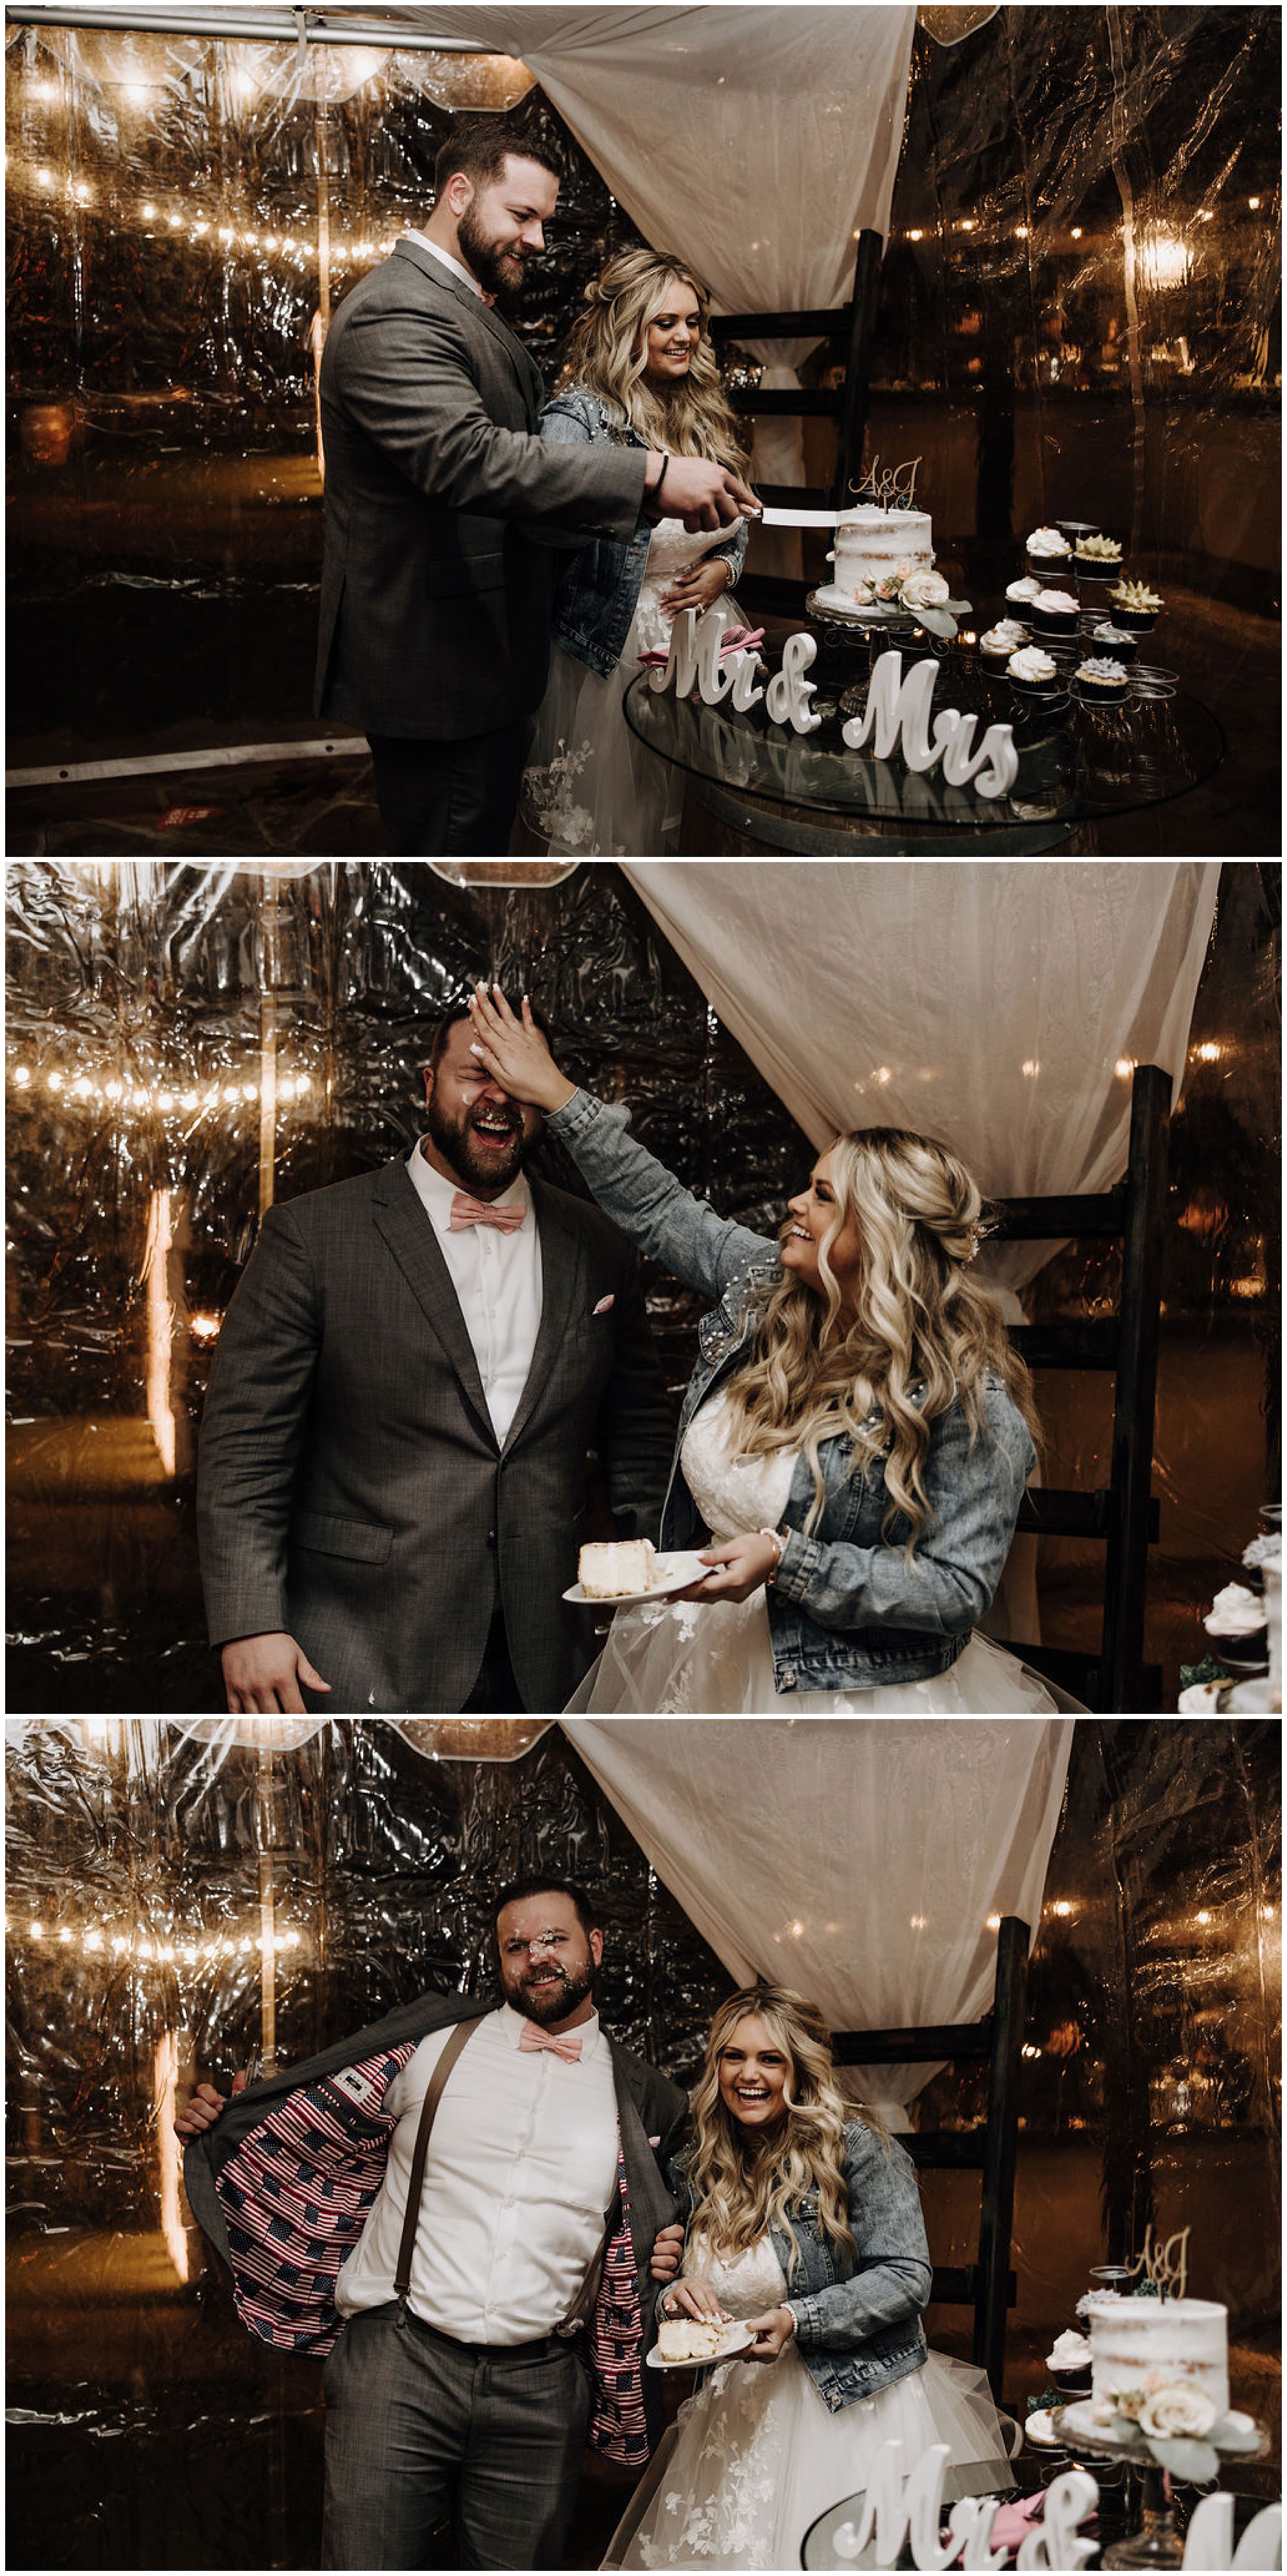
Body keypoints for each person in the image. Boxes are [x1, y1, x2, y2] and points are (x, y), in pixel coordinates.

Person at [464, 987, 1081, 1715]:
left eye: (822, 1195)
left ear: (879, 1232)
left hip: (848, 1692)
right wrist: (560, 1098)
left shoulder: (969, 1395)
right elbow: (663, 1210)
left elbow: (958, 1587)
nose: (795, 1202)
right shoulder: (764, 1288)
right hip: (700, 1659)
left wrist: (792, 1563)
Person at [177, 1877, 690, 2571]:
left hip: (541, 2386)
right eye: (516, 1945)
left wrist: (671, 2243)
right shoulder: (430, 2044)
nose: (536, 1956)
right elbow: (300, 2116)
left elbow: (676, 2205)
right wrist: (223, 2123)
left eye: (554, 1939)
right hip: (399, 2362)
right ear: (500, 1961)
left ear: (594, 1946)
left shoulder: (644, 2096)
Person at [196, 996, 675, 1716]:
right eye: (474, 1074)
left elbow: (639, 1434)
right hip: (359, 1649)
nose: (497, 1099)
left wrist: (665, 1589)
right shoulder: (314, 1235)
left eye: (519, 1080)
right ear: (427, 1085)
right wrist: (249, 1620)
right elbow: (245, 1448)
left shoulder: (599, 1243)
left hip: (550, 1652)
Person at [313, 118, 758, 857]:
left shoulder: (458, 305)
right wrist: (650, 475)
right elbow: (468, 459)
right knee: (456, 871)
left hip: (485, 657)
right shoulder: (397, 308)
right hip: (439, 668)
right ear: (459, 193)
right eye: (522, 215)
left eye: (545, 220)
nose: (538, 239)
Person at [614, 1986, 1007, 2570]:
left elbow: (905, 2277)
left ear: (801, 2067)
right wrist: (675, 2298)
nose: (749, 2074)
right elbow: (671, 2276)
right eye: (734, 2056)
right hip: (731, 2419)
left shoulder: (855, 2149)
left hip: (850, 2405)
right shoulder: (697, 2160)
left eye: (770, 2058)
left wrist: (800, 2318)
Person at [519, 248, 755, 856]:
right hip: (616, 648)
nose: (684, 337)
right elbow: (547, 522)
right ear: (627, 326)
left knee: (697, 816)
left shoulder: (706, 410)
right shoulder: (578, 419)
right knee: (624, 824)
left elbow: (740, 512)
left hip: (707, 640)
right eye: (664, 322)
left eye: (693, 321)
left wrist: (724, 568)